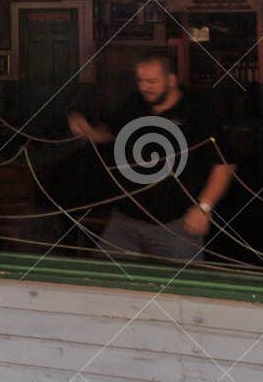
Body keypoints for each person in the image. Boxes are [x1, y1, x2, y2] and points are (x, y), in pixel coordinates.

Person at [67, 53, 235, 263]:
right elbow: (109, 131)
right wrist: (90, 132)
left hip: (175, 224)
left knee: (181, 282)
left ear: (171, 80)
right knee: (106, 277)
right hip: (127, 219)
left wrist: (204, 207)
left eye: (152, 81)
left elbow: (224, 164)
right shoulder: (134, 104)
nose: (145, 87)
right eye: (141, 81)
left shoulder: (197, 112)